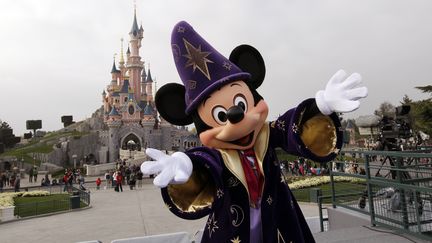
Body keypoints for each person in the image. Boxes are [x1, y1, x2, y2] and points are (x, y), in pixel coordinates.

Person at [141, 21, 367, 243]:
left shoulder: (266, 135)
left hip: (278, 218)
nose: (236, 118)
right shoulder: (218, 155)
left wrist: (319, 107)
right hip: (231, 226)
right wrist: (187, 167)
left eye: (241, 103)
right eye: (221, 116)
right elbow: (205, 163)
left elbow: (290, 127)